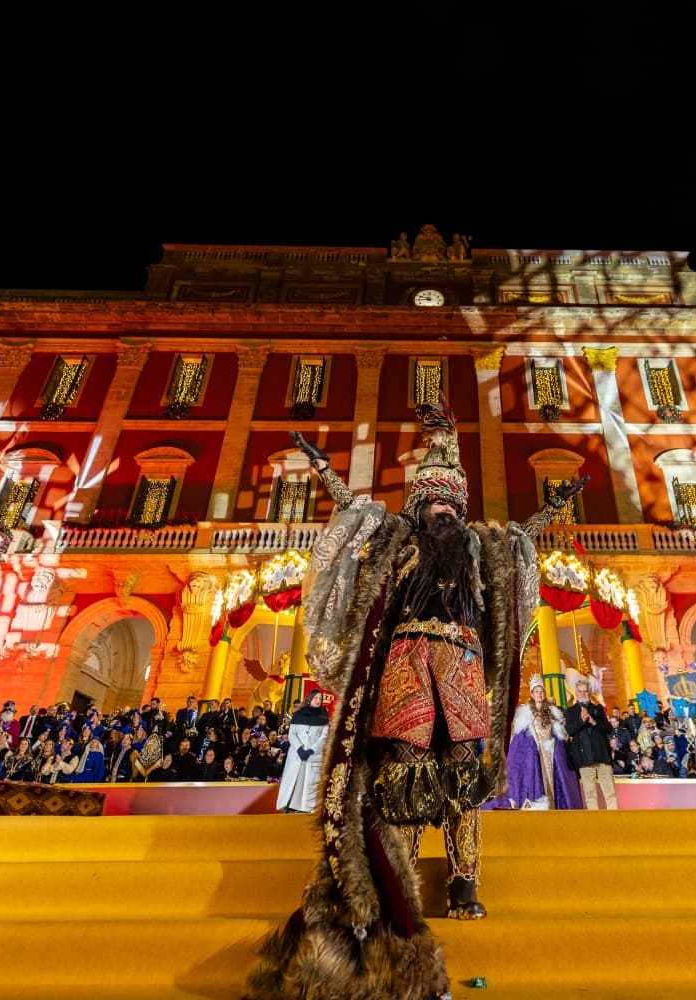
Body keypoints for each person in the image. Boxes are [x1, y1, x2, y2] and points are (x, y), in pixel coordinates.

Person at [246, 403, 582, 1000]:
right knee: (403, 776)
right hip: (405, 665)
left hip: (463, 667)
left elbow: (520, 543)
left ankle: (465, 882)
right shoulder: (396, 542)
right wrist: (322, 470)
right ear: (419, 507)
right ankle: (400, 889)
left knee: (464, 776)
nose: (444, 512)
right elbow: (352, 509)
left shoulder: (477, 549)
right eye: (434, 503)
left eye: (452, 504)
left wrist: (550, 511)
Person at [496, 675, 582, 810]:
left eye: (541, 691)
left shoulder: (552, 712)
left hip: (551, 753)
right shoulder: (526, 713)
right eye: (536, 691)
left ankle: (553, 806)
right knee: (538, 779)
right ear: (532, 694)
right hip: (536, 753)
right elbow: (521, 740)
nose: (539, 694)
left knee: (553, 780)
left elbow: (558, 732)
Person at [566, 679, 619, 810]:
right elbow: (569, 730)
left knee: (610, 793)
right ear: (576, 693)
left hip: (602, 758)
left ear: (589, 693)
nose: (583, 694)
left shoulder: (598, 709)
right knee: (590, 795)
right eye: (580, 691)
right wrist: (581, 720)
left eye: (585, 691)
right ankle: (594, 821)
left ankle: (615, 820)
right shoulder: (571, 711)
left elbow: (608, 729)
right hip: (585, 760)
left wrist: (593, 722)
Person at [277, 689, 330, 814]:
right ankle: (289, 806)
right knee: (294, 781)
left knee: (308, 783)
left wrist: (311, 750)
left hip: (313, 756)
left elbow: (323, 737)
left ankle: (305, 809)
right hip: (297, 755)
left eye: (320, 699)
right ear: (309, 699)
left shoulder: (323, 717)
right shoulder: (298, 715)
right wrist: (300, 749)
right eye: (316, 698)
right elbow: (292, 734)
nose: (318, 700)